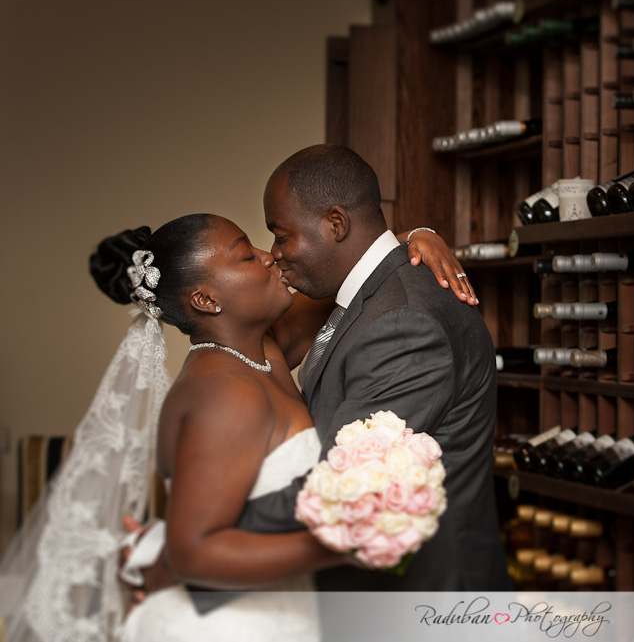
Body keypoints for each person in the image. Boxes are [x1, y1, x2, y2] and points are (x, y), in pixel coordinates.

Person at [0, 211, 473, 642]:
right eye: (247, 255)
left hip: (276, 610)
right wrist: (351, 543)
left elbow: (360, 266)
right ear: (205, 299)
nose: (270, 258)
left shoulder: (262, 351)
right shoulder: (222, 393)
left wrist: (417, 236)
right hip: (224, 626)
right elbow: (194, 554)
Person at [240, 143, 511, 591]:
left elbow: (344, 487)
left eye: (281, 234)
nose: (275, 252)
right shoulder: (373, 294)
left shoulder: (402, 323)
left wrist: (203, 535)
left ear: (335, 223)